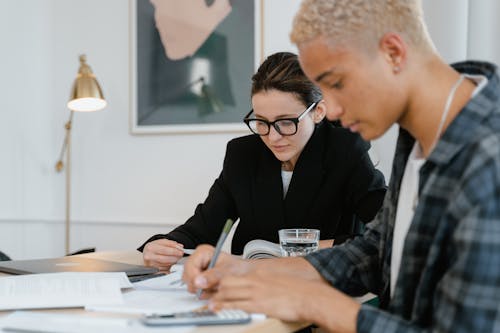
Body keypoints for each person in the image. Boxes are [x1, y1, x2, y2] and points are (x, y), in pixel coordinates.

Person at [182, 0, 500, 332]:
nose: (329, 111)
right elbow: (375, 252)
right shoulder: (420, 138)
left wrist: (312, 301)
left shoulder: (488, 160)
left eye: (335, 83)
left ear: (392, 52)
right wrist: (251, 270)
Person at [138, 51, 386, 271]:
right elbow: (203, 228)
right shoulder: (243, 154)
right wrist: (159, 246)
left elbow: (385, 233)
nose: (273, 136)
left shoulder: (345, 150)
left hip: (319, 287)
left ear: (318, 112)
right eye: (262, 121)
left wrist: (301, 250)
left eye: (286, 121)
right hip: (253, 287)